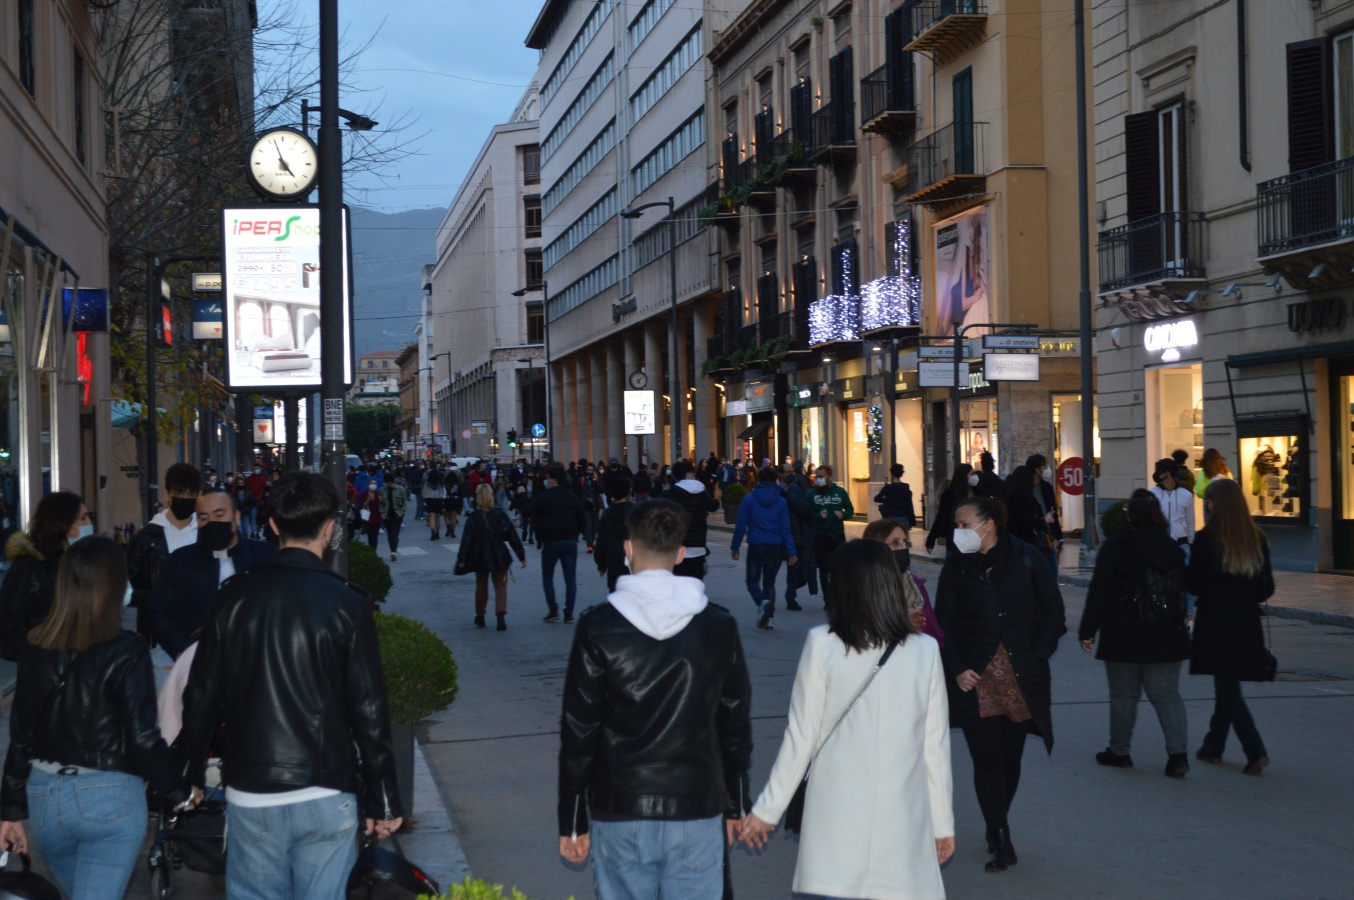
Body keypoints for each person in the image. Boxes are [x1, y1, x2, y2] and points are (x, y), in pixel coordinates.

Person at [178, 472, 403, 898]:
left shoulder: (233, 596)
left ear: (273, 526)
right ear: (330, 528)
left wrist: (190, 772)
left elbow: (202, 693)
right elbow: (370, 711)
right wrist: (384, 799)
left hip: (251, 785)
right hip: (326, 785)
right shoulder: (348, 602)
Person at [558, 499, 753, 898]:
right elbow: (734, 725)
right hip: (697, 805)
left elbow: (579, 731)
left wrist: (574, 818)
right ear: (681, 554)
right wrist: (737, 804)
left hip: (621, 805)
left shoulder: (598, 626)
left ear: (628, 548)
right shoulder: (717, 625)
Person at [738, 540, 953, 899]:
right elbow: (935, 743)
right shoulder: (924, 649)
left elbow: (801, 737)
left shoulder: (823, 644)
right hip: (904, 809)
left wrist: (766, 810)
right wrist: (942, 821)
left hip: (837, 806)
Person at [0, 537, 186, 899]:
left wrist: (9, 810)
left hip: (44, 798)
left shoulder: (36, 645)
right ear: (114, 584)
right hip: (109, 796)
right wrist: (177, 790)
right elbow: (142, 737)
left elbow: (20, 733)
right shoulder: (126, 649)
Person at [934, 495, 1066, 872]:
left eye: (962, 525)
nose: (958, 532)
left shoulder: (1026, 556)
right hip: (975, 679)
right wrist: (957, 668)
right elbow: (944, 624)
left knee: (1010, 758)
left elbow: (1053, 609)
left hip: (1021, 675)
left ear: (987, 524)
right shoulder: (957, 566)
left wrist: (1039, 652)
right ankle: (1002, 834)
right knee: (987, 758)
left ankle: (996, 822)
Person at [1078, 489, 1192, 776]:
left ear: (1128, 515)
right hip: (1167, 633)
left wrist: (1088, 630)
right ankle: (1178, 755)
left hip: (1123, 633)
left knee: (1123, 696)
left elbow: (1099, 592)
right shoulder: (1172, 549)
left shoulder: (1116, 548)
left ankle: (1120, 751)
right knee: (1166, 694)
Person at [1188, 477, 1275, 775]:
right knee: (1227, 683)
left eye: (1209, 500)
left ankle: (1255, 750)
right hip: (1246, 621)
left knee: (1227, 685)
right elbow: (1267, 588)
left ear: (1217, 504)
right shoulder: (1257, 537)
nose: (1206, 504)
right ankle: (1213, 746)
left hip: (1216, 621)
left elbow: (1194, 584)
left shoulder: (1207, 538)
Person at [148, 490, 275, 659]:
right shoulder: (180, 561)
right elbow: (158, 610)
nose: (212, 522)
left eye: (219, 515)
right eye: (204, 518)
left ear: (236, 517)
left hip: (256, 660)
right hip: (198, 662)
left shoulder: (265, 556)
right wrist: (181, 650)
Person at [0, 491, 92, 661]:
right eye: (83, 518)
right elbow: (8, 626)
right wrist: (39, 661)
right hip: (46, 677)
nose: (89, 523)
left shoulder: (81, 562)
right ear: (63, 524)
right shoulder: (28, 567)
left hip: (80, 670)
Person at [126, 463, 203, 639]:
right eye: (179, 493)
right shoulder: (146, 538)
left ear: (198, 496)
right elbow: (129, 590)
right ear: (167, 494)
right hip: (155, 633)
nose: (185, 498)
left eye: (191, 494)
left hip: (199, 632)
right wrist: (161, 595)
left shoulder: (206, 535)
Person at [730, 468, 798, 631]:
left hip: (756, 545)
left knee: (752, 581)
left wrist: (735, 546)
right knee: (770, 582)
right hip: (775, 546)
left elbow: (740, 526)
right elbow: (785, 528)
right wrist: (791, 551)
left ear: (759, 480)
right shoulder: (781, 501)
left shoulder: (749, 499)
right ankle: (768, 619)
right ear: (776, 480)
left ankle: (763, 603)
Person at [862, 517, 944, 645]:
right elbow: (861, 637)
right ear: (875, 548)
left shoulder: (915, 585)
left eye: (905, 542)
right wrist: (901, 625)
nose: (903, 548)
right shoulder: (862, 589)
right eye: (895, 543)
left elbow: (934, 632)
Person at [456, 484, 527, 631]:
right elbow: (512, 536)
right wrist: (521, 556)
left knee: (481, 586)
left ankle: (480, 616)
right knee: (501, 586)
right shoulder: (499, 515)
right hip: (500, 555)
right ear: (491, 497)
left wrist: (462, 559)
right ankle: (500, 616)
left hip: (480, 556)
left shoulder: (474, 517)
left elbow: (466, 540)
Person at [527, 465, 588, 624]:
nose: (546, 481)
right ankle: (569, 613)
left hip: (551, 541)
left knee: (548, 576)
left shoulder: (544, 497)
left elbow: (528, 510)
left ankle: (553, 610)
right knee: (570, 579)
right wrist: (578, 532)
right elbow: (582, 519)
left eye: (548, 478)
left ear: (553, 480)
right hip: (569, 541)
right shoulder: (572, 497)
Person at [663, 460, 720, 580]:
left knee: (678, 582)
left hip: (676, 546)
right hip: (697, 546)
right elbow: (714, 506)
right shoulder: (700, 492)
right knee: (695, 582)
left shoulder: (669, 494)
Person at [805, 465, 853, 594]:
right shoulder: (811, 493)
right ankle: (828, 597)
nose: (818, 479)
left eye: (821, 476)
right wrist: (818, 515)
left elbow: (850, 510)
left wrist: (843, 515)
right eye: (817, 476)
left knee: (839, 566)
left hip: (837, 533)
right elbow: (806, 514)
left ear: (829, 477)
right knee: (824, 567)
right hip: (821, 535)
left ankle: (840, 593)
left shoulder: (840, 492)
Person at [1003, 465, 1055, 573]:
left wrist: (1044, 518)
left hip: (1024, 543)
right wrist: (1043, 520)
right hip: (1021, 544)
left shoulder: (1026, 497)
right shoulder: (1015, 497)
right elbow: (1023, 520)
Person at [779, 468, 816, 611]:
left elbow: (803, 510)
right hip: (778, 536)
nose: (790, 474)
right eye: (787, 471)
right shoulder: (775, 490)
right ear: (780, 474)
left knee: (795, 569)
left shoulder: (795, 490)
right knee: (773, 568)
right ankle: (768, 598)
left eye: (791, 471)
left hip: (795, 534)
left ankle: (791, 597)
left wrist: (790, 498)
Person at [594, 478, 633, 592]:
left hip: (614, 562)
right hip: (634, 562)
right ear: (628, 491)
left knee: (615, 598)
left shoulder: (607, 514)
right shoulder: (637, 511)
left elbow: (601, 541)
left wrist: (601, 564)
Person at [925, 464, 972, 556]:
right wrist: (931, 540)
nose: (974, 477)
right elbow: (941, 517)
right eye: (971, 474)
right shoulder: (949, 495)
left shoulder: (975, 492)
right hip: (955, 537)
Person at [1026, 455, 1062, 570]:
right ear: (1037, 470)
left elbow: (1053, 512)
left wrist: (1059, 537)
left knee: (1052, 572)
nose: (1047, 469)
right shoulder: (1026, 489)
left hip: (1047, 538)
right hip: (1032, 538)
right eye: (1044, 466)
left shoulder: (1047, 487)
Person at [874, 463, 918, 530]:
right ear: (901, 474)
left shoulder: (887, 488)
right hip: (904, 516)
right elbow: (908, 501)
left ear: (892, 474)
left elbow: (876, 499)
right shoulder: (906, 487)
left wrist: (886, 499)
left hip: (891, 517)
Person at [1195, 448, 1233, 522]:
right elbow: (1231, 487)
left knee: (1210, 528)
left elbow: (1199, 491)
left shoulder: (1203, 473)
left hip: (1209, 502)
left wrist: (1209, 494)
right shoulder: (1226, 471)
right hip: (1225, 503)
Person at [380, 476, 408, 562]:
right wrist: (381, 513)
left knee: (395, 534)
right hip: (387, 515)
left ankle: (393, 552)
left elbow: (404, 501)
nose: (387, 484)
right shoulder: (382, 490)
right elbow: (381, 503)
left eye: (388, 482)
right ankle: (392, 550)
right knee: (389, 534)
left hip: (397, 514)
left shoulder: (400, 489)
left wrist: (402, 511)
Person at [423, 466, 447, 540]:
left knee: (431, 517)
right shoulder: (440, 483)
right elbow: (444, 492)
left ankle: (432, 531)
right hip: (438, 500)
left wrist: (425, 498)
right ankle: (437, 533)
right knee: (437, 518)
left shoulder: (427, 483)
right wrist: (443, 498)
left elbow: (424, 492)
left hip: (430, 500)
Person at [360, 478, 383, 550]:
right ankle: (371, 549)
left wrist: (381, 501)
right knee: (370, 536)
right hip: (367, 518)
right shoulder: (364, 494)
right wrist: (367, 501)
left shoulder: (378, 494)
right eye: (372, 483)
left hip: (377, 518)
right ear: (368, 485)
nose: (373, 485)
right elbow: (361, 505)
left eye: (375, 484)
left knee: (375, 536)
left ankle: (374, 550)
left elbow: (382, 505)